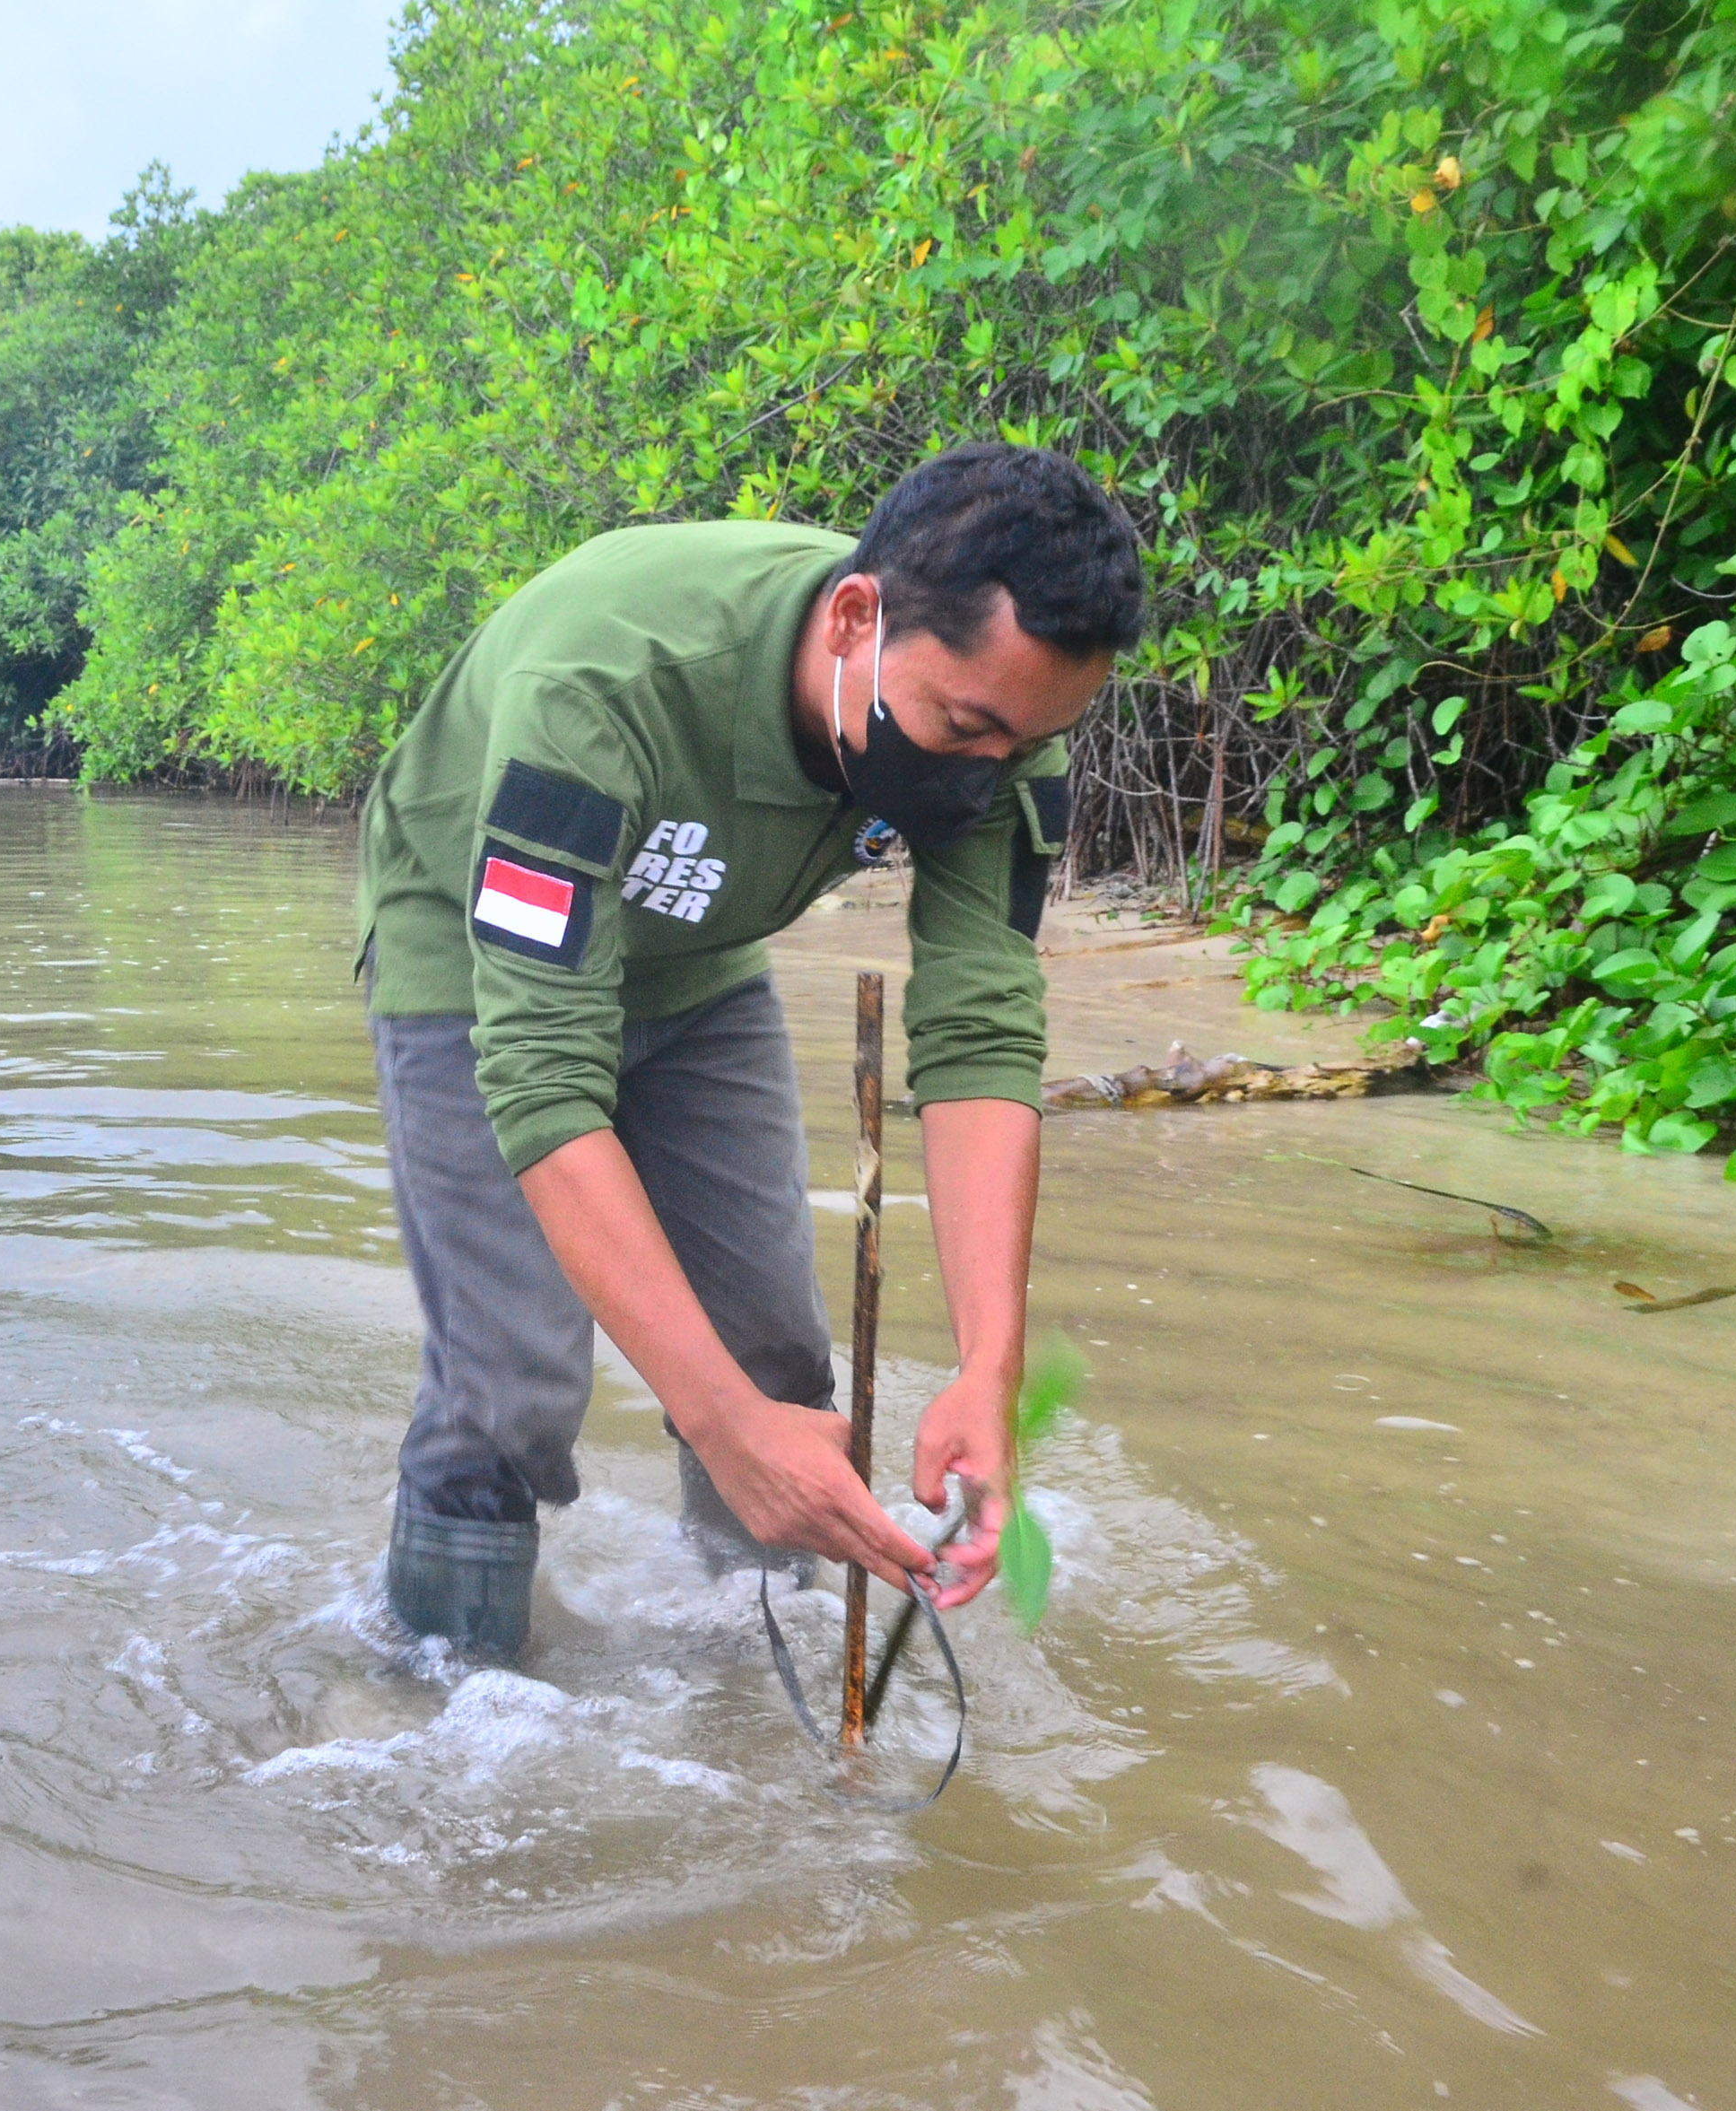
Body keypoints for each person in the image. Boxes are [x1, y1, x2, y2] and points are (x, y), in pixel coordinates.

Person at [357, 442, 1147, 1655]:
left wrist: (989, 1368)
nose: (990, 771)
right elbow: (542, 1071)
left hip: (700, 955)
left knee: (776, 1358)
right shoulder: (607, 676)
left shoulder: (1010, 719)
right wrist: (716, 1424)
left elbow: (981, 1029)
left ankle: (750, 1679)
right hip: (472, 953)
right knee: (509, 1385)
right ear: (850, 620)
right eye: (964, 725)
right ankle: (435, 1687)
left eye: (1024, 744)